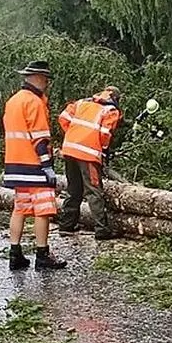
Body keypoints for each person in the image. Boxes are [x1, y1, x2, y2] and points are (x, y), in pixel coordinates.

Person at [3, 61, 66, 271]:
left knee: (19, 209)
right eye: (46, 79)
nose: (47, 83)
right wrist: (47, 165)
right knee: (43, 210)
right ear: (37, 78)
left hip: (14, 164)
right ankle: (42, 254)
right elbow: (39, 138)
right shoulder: (34, 102)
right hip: (34, 165)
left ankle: (15, 253)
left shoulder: (13, 101)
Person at [56, 86, 123, 239]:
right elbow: (105, 134)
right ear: (116, 98)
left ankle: (66, 225)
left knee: (74, 189)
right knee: (93, 191)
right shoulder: (111, 111)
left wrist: (73, 134)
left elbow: (63, 118)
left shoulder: (81, 103)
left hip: (70, 150)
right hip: (89, 153)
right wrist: (103, 149)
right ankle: (101, 229)